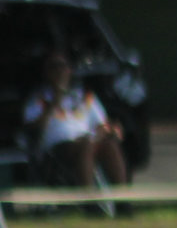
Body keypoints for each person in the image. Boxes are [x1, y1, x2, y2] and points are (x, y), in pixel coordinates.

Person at [20, 50, 126, 193]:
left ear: (70, 70)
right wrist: (55, 100)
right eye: (54, 66)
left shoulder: (84, 95)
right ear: (46, 73)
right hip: (57, 148)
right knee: (85, 145)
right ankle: (88, 200)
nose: (60, 71)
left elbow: (101, 124)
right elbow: (34, 128)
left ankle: (123, 201)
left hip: (88, 139)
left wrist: (110, 130)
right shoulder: (38, 99)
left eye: (63, 66)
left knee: (110, 145)